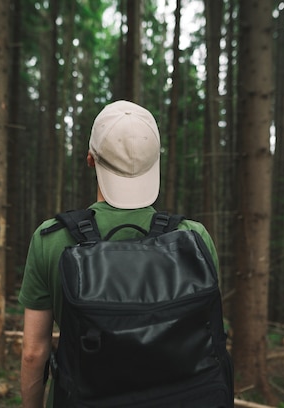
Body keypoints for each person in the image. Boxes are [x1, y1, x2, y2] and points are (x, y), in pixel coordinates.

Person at [18, 100, 220, 408]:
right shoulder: (194, 238)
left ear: (90, 160)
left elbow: (34, 352)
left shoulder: (51, 238)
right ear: (156, 163)